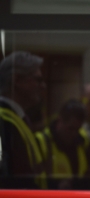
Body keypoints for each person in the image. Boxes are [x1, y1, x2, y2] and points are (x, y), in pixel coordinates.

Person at [0, 51, 47, 189]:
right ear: (17, 80)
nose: (43, 85)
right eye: (37, 79)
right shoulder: (4, 121)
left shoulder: (15, 119)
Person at [35, 98, 90, 189]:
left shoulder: (83, 142)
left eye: (77, 129)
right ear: (60, 121)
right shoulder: (42, 142)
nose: (74, 134)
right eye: (70, 128)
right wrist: (56, 186)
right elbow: (36, 181)